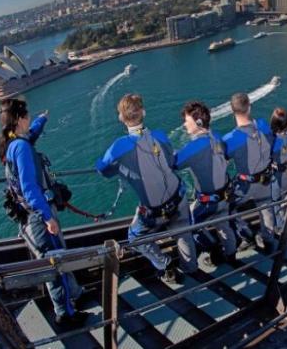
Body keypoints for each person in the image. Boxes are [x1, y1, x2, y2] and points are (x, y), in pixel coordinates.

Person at [0, 98, 87, 328]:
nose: (29, 120)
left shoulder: (13, 143)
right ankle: (65, 314)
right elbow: (29, 188)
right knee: (55, 264)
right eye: (27, 116)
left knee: (57, 258)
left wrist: (42, 119)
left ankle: (74, 294)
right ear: (19, 120)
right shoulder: (22, 147)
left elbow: (31, 134)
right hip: (39, 218)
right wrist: (48, 217)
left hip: (29, 217)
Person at [96, 94, 197, 284]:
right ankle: (191, 269)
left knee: (134, 237)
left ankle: (164, 264)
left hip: (156, 211)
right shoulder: (160, 135)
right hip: (179, 196)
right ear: (143, 112)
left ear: (121, 118)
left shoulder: (119, 147)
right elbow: (171, 161)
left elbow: (103, 169)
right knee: (183, 231)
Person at [174, 101, 237, 266]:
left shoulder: (195, 146)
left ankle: (213, 248)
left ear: (198, 122)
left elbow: (173, 163)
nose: (184, 124)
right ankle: (231, 257)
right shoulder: (217, 137)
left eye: (187, 121)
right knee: (224, 226)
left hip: (208, 202)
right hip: (224, 197)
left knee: (189, 226)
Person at [222, 93, 277, 252]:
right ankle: (269, 241)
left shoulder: (231, 138)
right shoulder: (263, 125)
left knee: (228, 209)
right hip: (266, 178)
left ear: (232, 111)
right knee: (266, 210)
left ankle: (246, 235)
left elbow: (223, 158)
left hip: (246, 184)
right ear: (249, 107)